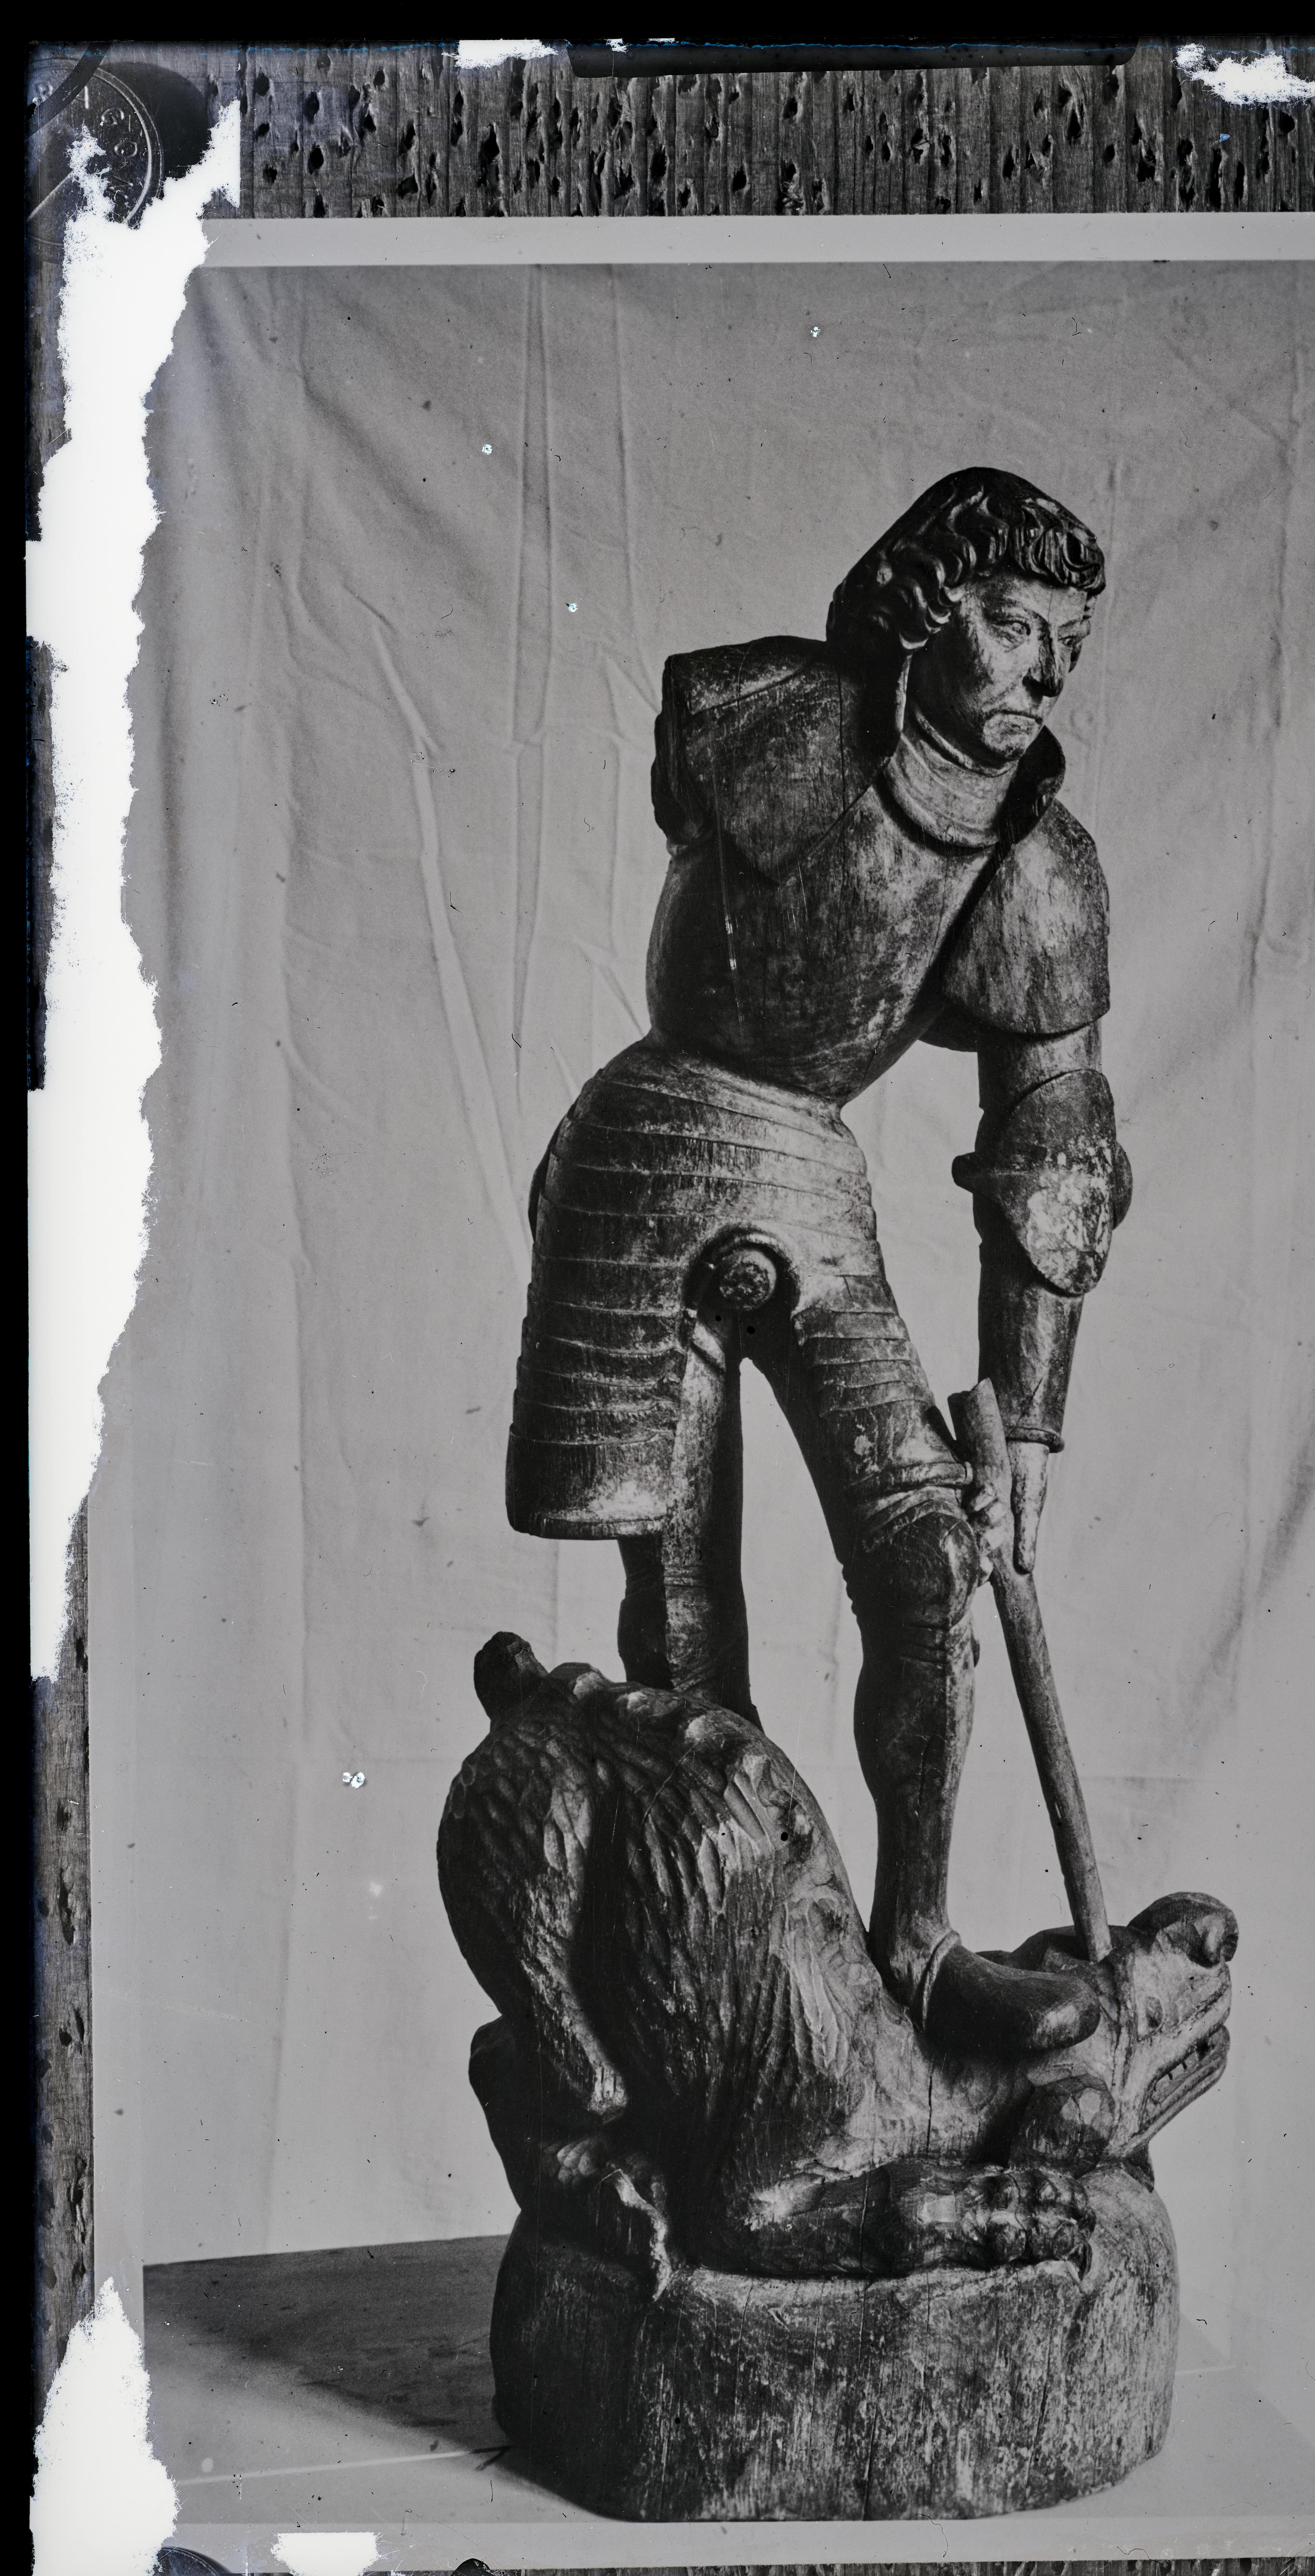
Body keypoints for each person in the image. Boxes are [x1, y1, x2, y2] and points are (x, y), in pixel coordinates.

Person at [506, 467, 1131, 2059]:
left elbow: (1054, 1147)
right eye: (1013, 625)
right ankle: (727, 1955)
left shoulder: (1035, 867)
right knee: (681, 1624)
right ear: (926, 610)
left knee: (927, 1567)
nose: (1045, 675)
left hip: (809, 1166)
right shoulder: (769, 721)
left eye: (1067, 641)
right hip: (656, 1142)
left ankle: (913, 1945)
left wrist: (1027, 1418)